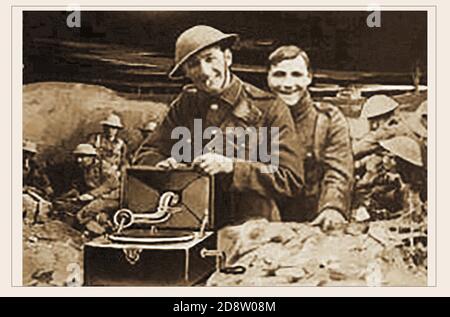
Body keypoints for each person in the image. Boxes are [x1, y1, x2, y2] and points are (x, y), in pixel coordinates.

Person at [134, 25, 303, 223]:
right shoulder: (184, 105)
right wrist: (162, 166)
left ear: (227, 58)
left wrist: (231, 167)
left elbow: (290, 178)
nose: (204, 72)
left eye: (210, 58)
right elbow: (147, 155)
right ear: (186, 72)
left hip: (251, 233)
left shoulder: (269, 108)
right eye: (193, 64)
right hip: (192, 224)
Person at [266, 45, 354, 230]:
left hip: (315, 222)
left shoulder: (327, 119)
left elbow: (338, 170)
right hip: (265, 224)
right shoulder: (254, 117)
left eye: (296, 75)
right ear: (268, 78)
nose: (288, 84)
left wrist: (332, 208)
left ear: (309, 77)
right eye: (280, 74)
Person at [53, 144, 120, 235]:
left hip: (109, 198)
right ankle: (93, 225)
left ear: (92, 157)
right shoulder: (84, 167)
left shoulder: (104, 166)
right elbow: (80, 184)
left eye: (82, 157)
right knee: (63, 205)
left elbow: (112, 183)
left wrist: (92, 194)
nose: (79, 160)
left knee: (84, 213)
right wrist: (73, 193)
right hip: (93, 197)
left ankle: (103, 232)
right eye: (77, 157)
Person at [353, 94, 411, 160]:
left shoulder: (386, 132)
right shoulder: (402, 125)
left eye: (372, 120)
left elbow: (353, 152)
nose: (372, 125)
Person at [22, 140, 53, 222]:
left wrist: (47, 186)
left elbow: (40, 176)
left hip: (27, 189)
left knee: (43, 202)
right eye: (25, 152)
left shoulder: (32, 164)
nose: (27, 156)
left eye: (30, 153)